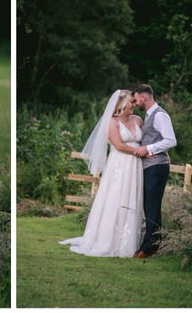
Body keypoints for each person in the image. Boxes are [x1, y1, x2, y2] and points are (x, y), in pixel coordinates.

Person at [60, 90, 144, 257]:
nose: (134, 105)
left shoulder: (138, 121)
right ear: (122, 104)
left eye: (134, 102)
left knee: (131, 198)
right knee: (115, 198)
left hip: (135, 166)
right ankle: (108, 240)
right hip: (119, 165)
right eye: (131, 102)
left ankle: (128, 240)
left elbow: (148, 139)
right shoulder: (112, 122)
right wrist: (141, 150)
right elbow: (119, 145)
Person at [131, 84, 176, 257]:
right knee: (150, 206)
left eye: (135, 99)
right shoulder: (149, 115)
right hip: (151, 166)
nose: (135, 103)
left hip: (157, 167)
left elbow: (171, 140)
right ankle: (155, 244)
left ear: (144, 97)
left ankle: (148, 248)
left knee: (152, 206)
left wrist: (148, 149)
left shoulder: (160, 116)